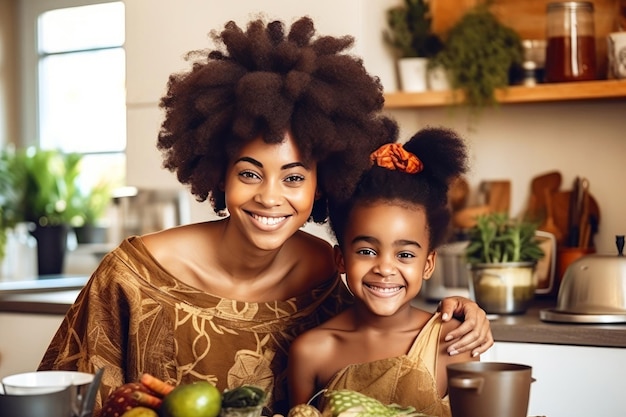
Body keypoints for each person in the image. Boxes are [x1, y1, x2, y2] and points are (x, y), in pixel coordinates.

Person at [37, 16, 492, 417]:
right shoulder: (131, 279)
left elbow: (379, 343)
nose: (270, 198)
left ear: (324, 182)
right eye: (250, 173)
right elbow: (59, 400)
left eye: (294, 178)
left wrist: (462, 313)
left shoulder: (326, 274)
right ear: (217, 173)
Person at [287, 127, 479, 417]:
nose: (385, 268)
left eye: (404, 255)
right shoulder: (312, 351)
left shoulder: (453, 341)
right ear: (340, 259)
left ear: (427, 264)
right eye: (366, 251)